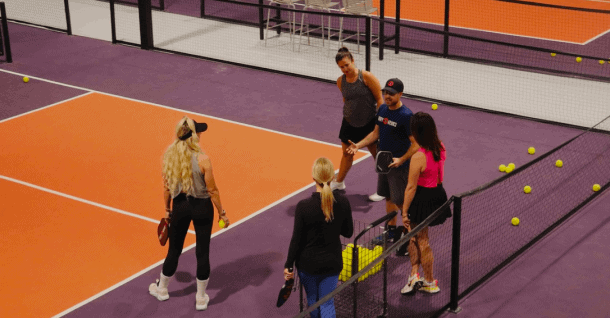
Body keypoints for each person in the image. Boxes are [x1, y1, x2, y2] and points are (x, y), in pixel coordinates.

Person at [149, 117, 230, 311]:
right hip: (202, 208)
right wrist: (222, 213)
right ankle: (201, 298)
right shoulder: (203, 159)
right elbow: (213, 191)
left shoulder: (169, 157)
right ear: (193, 136)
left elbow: (166, 189)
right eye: (199, 132)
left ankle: (162, 290)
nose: (201, 134)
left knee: (174, 250)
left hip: (180, 207)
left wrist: (167, 210)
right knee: (203, 252)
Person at [347, 78, 420, 243]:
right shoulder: (382, 109)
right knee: (388, 197)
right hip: (383, 163)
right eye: (385, 92)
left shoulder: (406, 116)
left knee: (402, 203)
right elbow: (375, 134)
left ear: (400, 94)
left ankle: (414, 235)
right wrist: (358, 145)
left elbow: (416, 144)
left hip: (399, 166)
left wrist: (401, 159)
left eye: (391, 94)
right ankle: (391, 232)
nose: (387, 96)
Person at [284, 157, 354, 318]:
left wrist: (288, 266)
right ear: (333, 178)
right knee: (327, 302)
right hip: (332, 263)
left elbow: (296, 240)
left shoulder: (303, 206)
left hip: (307, 266)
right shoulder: (343, 202)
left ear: (313, 178)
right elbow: (348, 232)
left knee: (313, 301)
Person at [399, 112, 447, 295]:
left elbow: (411, 188)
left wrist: (404, 212)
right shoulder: (441, 147)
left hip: (422, 198)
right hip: (437, 194)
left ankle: (428, 281)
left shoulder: (419, 156)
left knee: (419, 238)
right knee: (418, 236)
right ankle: (414, 274)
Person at [332, 47, 386, 202]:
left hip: (369, 123)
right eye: (341, 67)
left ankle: (384, 189)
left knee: (378, 155)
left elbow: (379, 99)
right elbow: (346, 100)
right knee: (346, 154)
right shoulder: (340, 81)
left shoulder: (367, 77)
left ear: (353, 60)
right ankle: (339, 182)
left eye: (347, 65)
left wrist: (380, 120)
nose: (345, 69)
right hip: (349, 123)